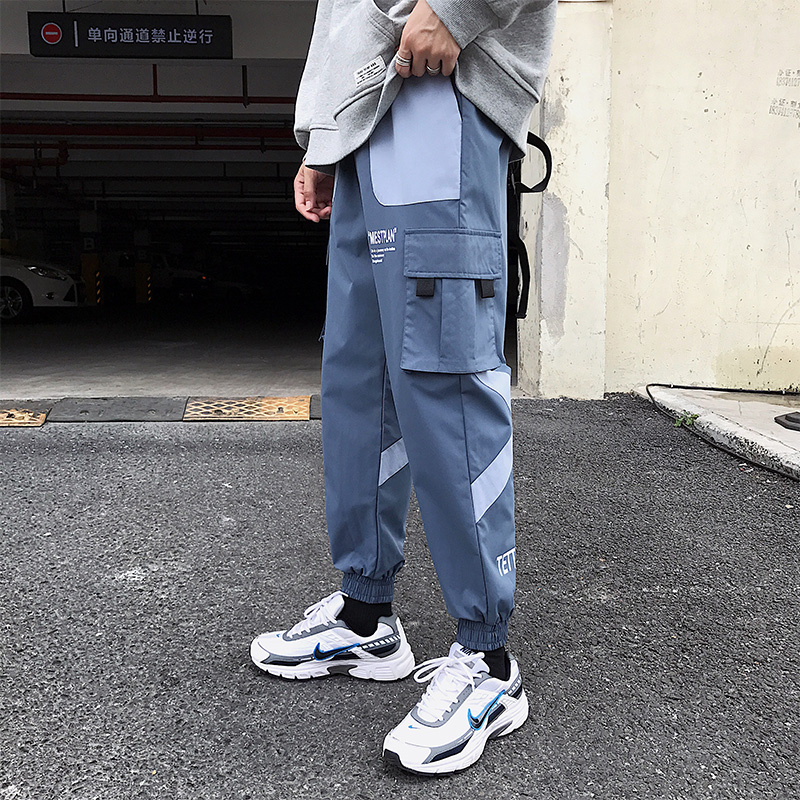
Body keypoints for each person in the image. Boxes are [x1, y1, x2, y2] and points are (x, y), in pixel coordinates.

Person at [251, 0, 557, 775]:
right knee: (361, 378)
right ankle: (366, 615)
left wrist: (458, 8)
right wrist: (326, 138)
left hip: (439, 86)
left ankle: (488, 662)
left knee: (444, 372)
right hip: (363, 118)